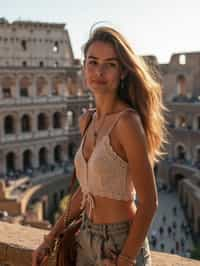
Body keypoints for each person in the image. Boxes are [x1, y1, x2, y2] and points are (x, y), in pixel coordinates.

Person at [32, 25, 167, 266]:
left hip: (120, 244)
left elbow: (149, 202)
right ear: (84, 67)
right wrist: (50, 237)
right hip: (85, 238)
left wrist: (125, 259)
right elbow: (85, 192)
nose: (99, 71)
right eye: (92, 62)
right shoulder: (87, 120)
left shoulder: (127, 123)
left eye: (110, 64)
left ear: (123, 72)